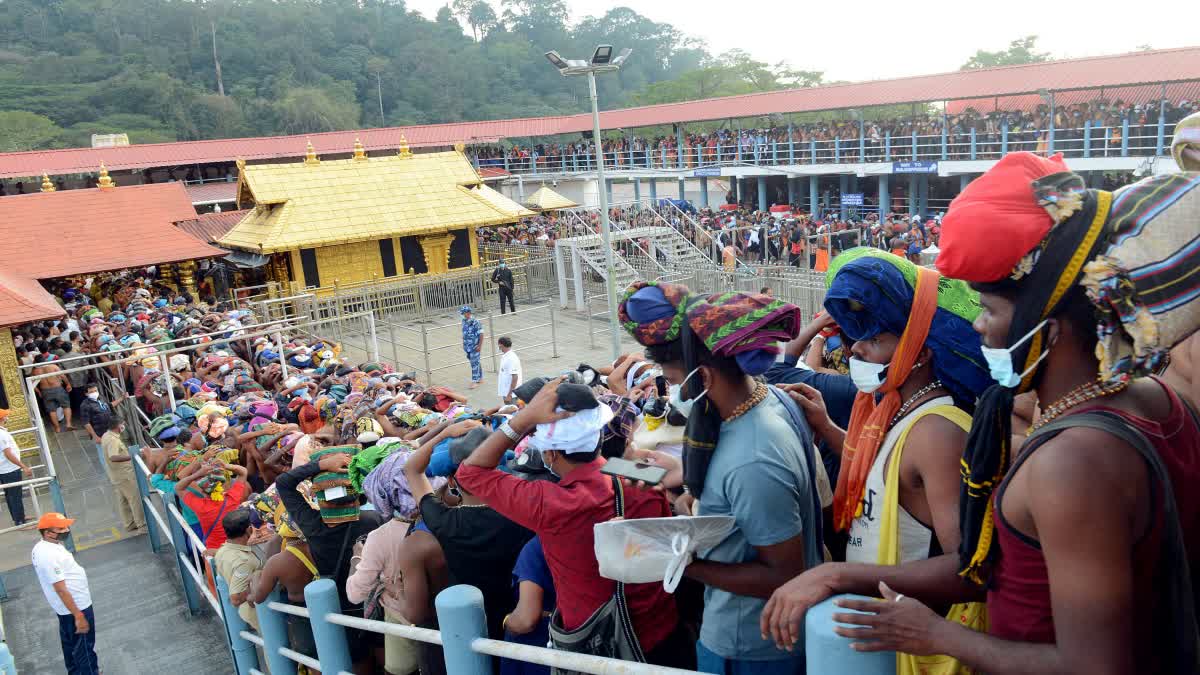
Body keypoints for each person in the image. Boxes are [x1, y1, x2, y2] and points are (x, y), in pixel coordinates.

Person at [810, 153, 1200, 674]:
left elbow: (1096, 666)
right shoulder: (1155, 396)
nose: (977, 328)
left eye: (989, 310)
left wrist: (936, 634)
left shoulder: (1072, 462)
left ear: (1052, 329)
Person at [619, 281, 825, 673]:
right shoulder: (770, 398)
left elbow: (784, 573)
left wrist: (675, 560)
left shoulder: (753, 459)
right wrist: (687, 498)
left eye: (675, 377)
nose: (674, 388)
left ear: (705, 377)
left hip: (751, 643)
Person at [457, 379, 695, 669]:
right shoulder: (640, 476)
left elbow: (469, 474)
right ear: (597, 436)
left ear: (550, 453)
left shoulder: (550, 503)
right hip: (665, 636)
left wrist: (523, 420)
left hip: (601, 650)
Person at [405, 426, 533, 641]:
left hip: (469, 623)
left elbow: (411, 469)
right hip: (519, 619)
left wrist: (444, 433)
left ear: (453, 481)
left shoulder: (444, 521)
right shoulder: (526, 514)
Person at [32, 512, 98, 675]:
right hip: (76, 607)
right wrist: (78, 615)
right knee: (84, 647)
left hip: (67, 609)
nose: (66, 530)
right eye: (61, 528)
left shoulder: (46, 546)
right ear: (48, 533)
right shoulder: (48, 555)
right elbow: (60, 589)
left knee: (71, 646)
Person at [175, 458, 251, 551]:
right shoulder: (232, 498)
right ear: (221, 485)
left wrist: (197, 474)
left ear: (202, 490)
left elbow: (178, 488)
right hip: (237, 550)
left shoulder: (201, 507)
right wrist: (226, 466)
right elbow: (243, 472)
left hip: (213, 552)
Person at [214, 509, 263, 631]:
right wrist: (262, 581)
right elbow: (236, 598)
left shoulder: (222, 551)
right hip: (257, 611)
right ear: (248, 530)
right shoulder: (243, 562)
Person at [100, 419, 146, 532]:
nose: (124, 426)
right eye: (122, 424)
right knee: (134, 498)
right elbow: (113, 457)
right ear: (117, 426)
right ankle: (141, 525)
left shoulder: (106, 435)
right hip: (125, 475)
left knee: (123, 500)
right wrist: (133, 455)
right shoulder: (112, 440)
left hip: (116, 475)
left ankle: (129, 524)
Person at [0, 408, 33, 527]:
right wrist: (23, 466)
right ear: (2, 418)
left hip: (5, 469)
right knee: (15, 495)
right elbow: (8, 453)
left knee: (11, 495)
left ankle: (19, 516)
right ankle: (20, 522)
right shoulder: (1, 434)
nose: (7, 417)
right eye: (5, 415)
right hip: (10, 469)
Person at [32, 360, 73, 432]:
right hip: (58, 389)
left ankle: (57, 428)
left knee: (51, 410)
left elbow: (32, 384)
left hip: (45, 391)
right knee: (66, 406)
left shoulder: (35, 371)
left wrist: (38, 392)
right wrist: (68, 384)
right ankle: (68, 424)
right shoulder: (53, 366)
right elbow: (62, 376)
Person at [79, 383, 123, 449]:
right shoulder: (85, 405)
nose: (94, 393)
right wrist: (95, 437)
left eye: (95, 391)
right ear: (86, 394)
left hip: (110, 431)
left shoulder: (100, 399)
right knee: (105, 455)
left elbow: (109, 405)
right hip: (100, 434)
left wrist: (122, 398)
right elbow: (86, 423)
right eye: (91, 392)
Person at [460, 306, 484, 390]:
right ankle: (480, 378)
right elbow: (464, 333)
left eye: (463, 313)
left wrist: (479, 345)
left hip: (474, 346)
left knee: (474, 363)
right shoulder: (464, 321)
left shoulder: (475, 322)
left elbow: (481, 334)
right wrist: (463, 343)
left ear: (468, 313)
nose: (462, 315)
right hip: (467, 346)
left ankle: (474, 381)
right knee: (475, 362)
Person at [497, 336, 522, 405]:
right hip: (506, 391)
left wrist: (509, 394)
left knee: (513, 411)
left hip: (511, 394)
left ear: (500, 345)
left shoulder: (511, 358)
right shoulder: (506, 356)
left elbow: (515, 377)